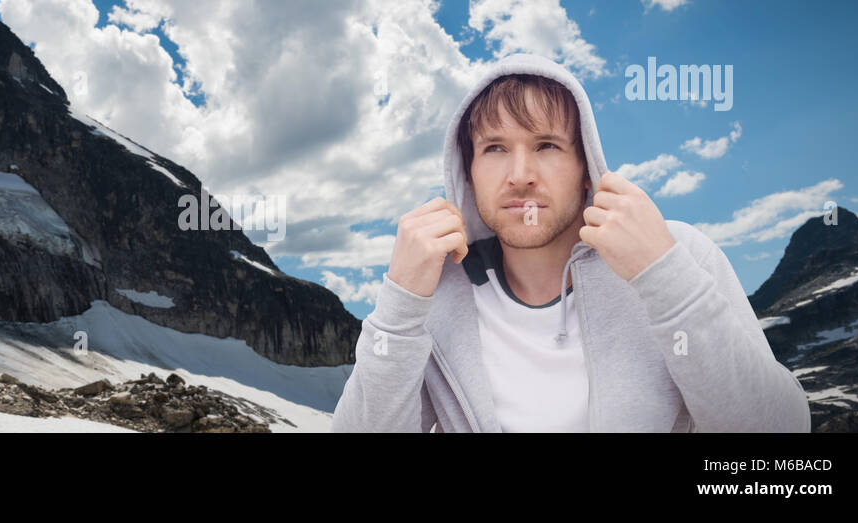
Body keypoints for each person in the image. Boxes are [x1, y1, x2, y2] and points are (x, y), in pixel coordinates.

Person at [331, 53, 811, 433]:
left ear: (586, 167)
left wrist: (664, 275)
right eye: (494, 149)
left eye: (547, 146)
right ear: (468, 172)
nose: (520, 177)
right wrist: (400, 306)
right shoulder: (436, 293)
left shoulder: (678, 253)